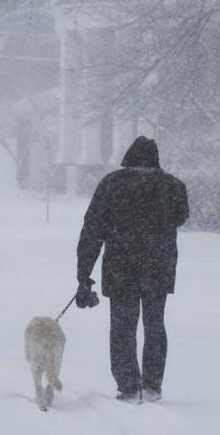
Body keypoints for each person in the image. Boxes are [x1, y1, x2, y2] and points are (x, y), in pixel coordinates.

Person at [75, 136, 189, 402]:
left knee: (123, 327)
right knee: (155, 324)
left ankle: (128, 385)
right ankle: (152, 384)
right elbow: (181, 217)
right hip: (157, 267)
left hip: (120, 267)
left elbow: (92, 229)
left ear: (129, 157)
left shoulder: (112, 184)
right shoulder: (172, 186)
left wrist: (84, 273)